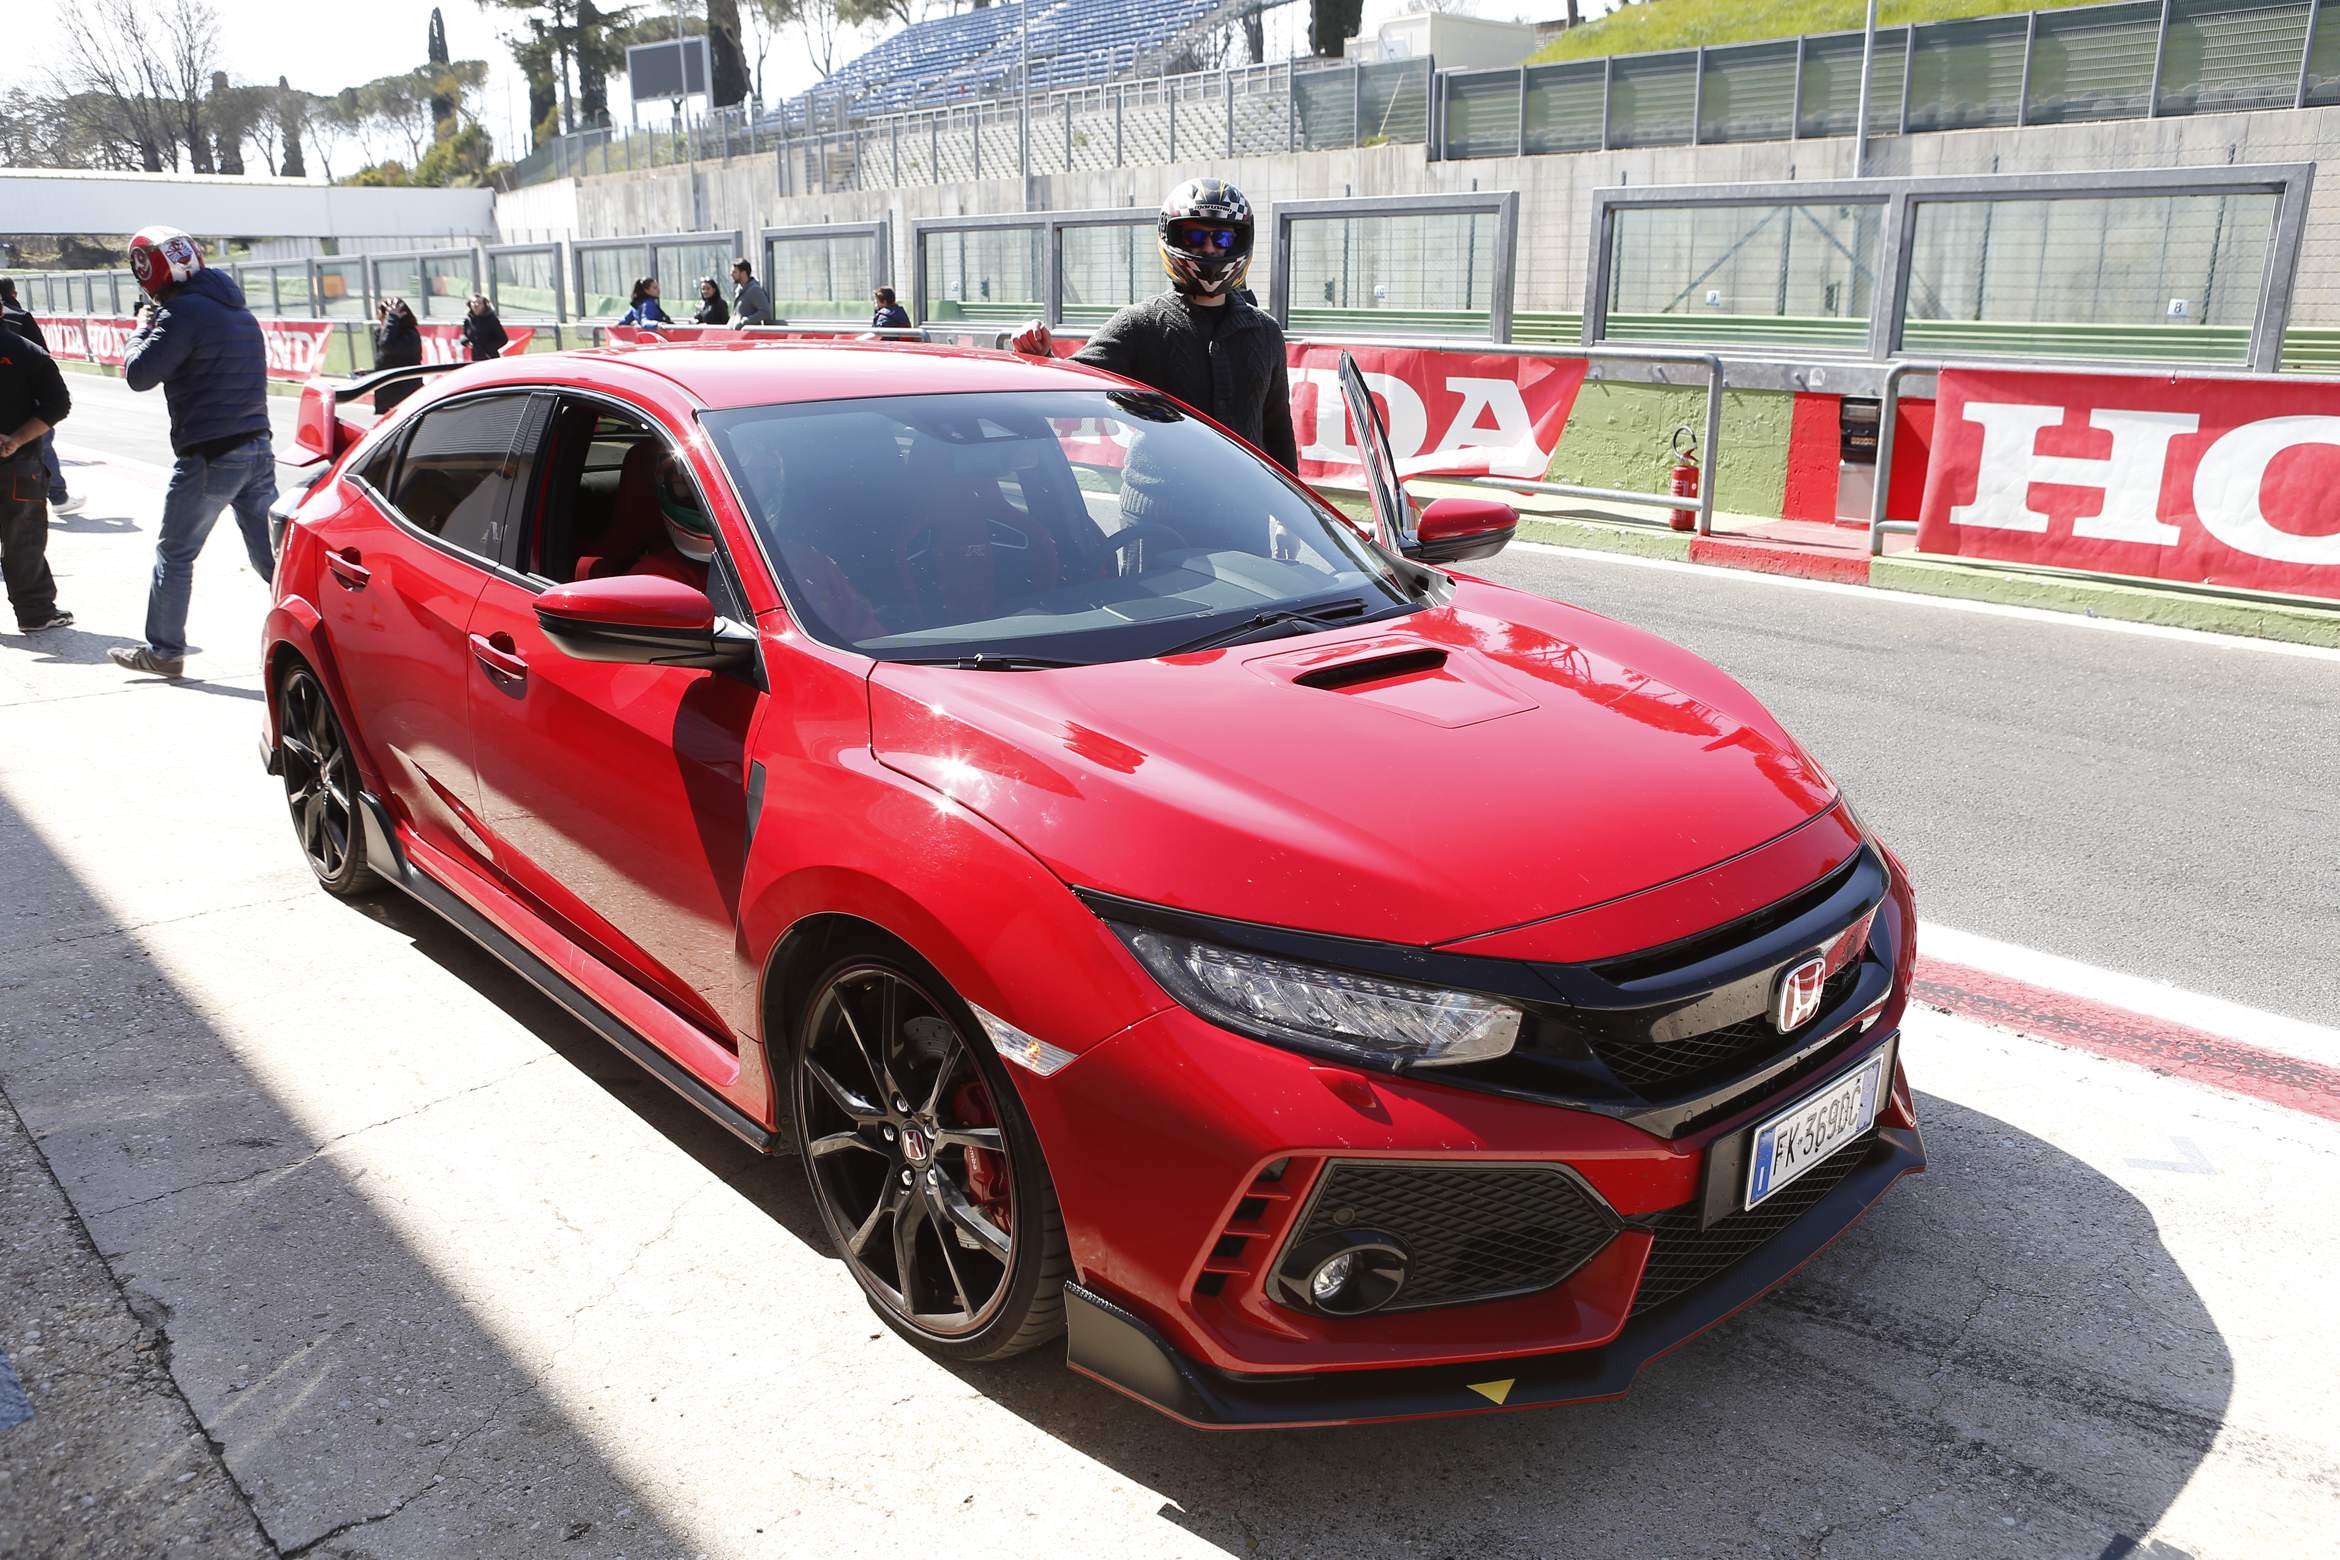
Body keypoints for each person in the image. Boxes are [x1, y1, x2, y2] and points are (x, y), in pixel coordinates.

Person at [1011, 178, 1297, 475]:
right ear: (1172, 237)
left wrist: (1295, 502)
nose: (1209, 248)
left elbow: (1277, 428)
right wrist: (1040, 354)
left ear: (1239, 241)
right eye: (1195, 236)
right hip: (1159, 499)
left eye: (1222, 238)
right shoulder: (1139, 323)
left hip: (1245, 498)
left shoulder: (1265, 331)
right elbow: (1071, 388)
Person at [107, 226, 274, 679]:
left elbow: (139, 374)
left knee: (175, 553)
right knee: (273, 560)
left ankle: (164, 651)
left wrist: (139, 330)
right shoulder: (237, 310)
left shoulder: (181, 314)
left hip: (210, 453)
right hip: (257, 445)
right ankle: (329, 632)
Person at [0, 316, 75, 633]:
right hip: (19, 462)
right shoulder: (29, 351)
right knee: (24, 539)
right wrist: (16, 440)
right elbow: (58, 404)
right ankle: (35, 613)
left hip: (20, 462)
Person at [0, 279, 82, 515]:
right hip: (20, 452)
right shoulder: (24, 332)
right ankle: (58, 495)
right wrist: (17, 439)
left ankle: (58, 494)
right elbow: (58, 402)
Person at [372, 298, 423, 413]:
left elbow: (388, 346)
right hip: (387, 392)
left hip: (404, 392)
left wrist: (392, 318)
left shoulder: (409, 334)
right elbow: (386, 362)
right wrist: (370, 373)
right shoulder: (382, 333)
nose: (379, 318)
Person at [459, 293, 508, 361]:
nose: (476, 305)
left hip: (490, 357)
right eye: (473, 302)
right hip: (475, 357)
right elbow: (465, 334)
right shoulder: (468, 320)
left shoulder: (491, 319)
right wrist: (465, 340)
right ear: (470, 305)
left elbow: (503, 339)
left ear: (484, 305)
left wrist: (488, 348)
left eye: (479, 303)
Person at [730, 259, 775, 327]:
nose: (731, 274)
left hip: (750, 332)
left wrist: (745, 321)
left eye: (734, 272)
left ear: (743, 273)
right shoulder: (739, 290)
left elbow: (765, 312)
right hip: (739, 332)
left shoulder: (754, 290)